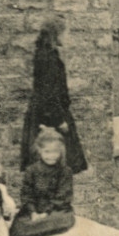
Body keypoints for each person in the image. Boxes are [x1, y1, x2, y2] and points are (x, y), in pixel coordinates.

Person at [20, 18, 87, 174]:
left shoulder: (48, 54)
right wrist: (59, 120)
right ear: (55, 35)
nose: (66, 37)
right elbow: (48, 92)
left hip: (46, 114)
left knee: (54, 164)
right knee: (54, 160)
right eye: (64, 33)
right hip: (49, 116)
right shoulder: (47, 57)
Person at [11, 128, 75, 236]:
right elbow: (27, 194)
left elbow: (62, 197)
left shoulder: (65, 171)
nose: (51, 156)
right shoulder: (31, 171)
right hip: (34, 212)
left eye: (55, 152)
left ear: (61, 152)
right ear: (39, 151)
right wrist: (33, 212)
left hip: (56, 211)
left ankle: (33, 234)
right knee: (18, 228)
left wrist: (46, 213)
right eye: (47, 152)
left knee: (62, 221)